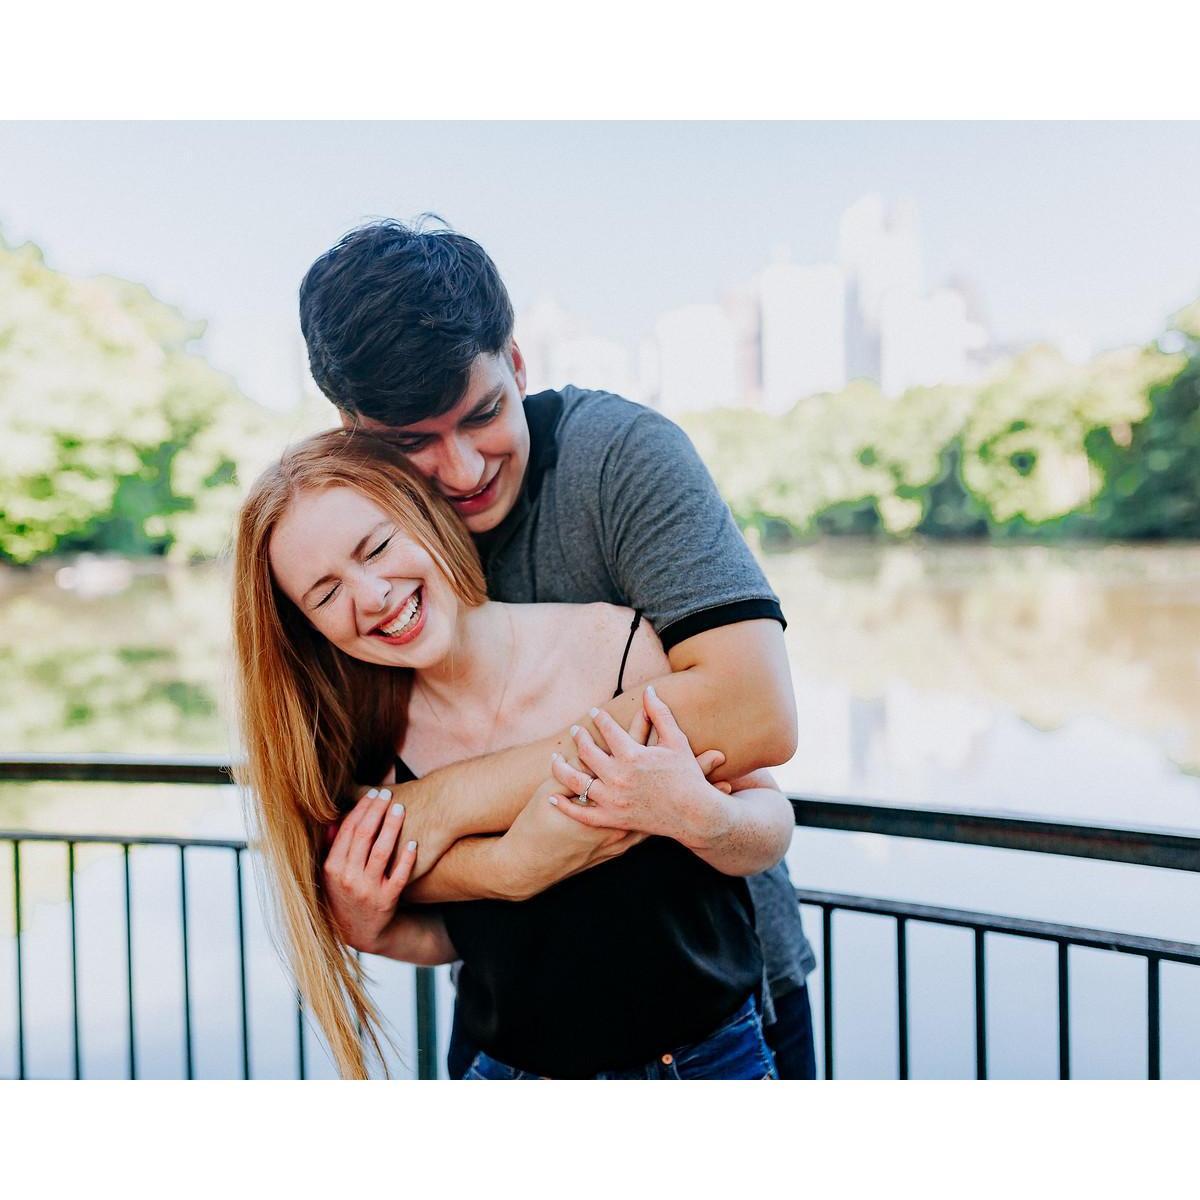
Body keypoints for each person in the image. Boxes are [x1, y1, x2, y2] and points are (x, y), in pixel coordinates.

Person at [298, 218, 818, 1079]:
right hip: (514, 1019)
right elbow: (352, 846)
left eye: (484, 415)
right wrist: (491, 864)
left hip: (721, 1006)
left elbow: (754, 712)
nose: (462, 470)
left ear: (516, 362)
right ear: (353, 430)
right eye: (412, 444)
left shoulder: (619, 458)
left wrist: (440, 805)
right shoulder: (357, 560)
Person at [234, 429, 794, 1078]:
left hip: (707, 1065)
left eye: (377, 547)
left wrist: (705, 820)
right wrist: (374, 930)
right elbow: (453, 937)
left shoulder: (614, 643)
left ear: (426, 513)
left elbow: (769, 826)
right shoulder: (373, 755)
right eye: (325, 594)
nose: (372, 596)